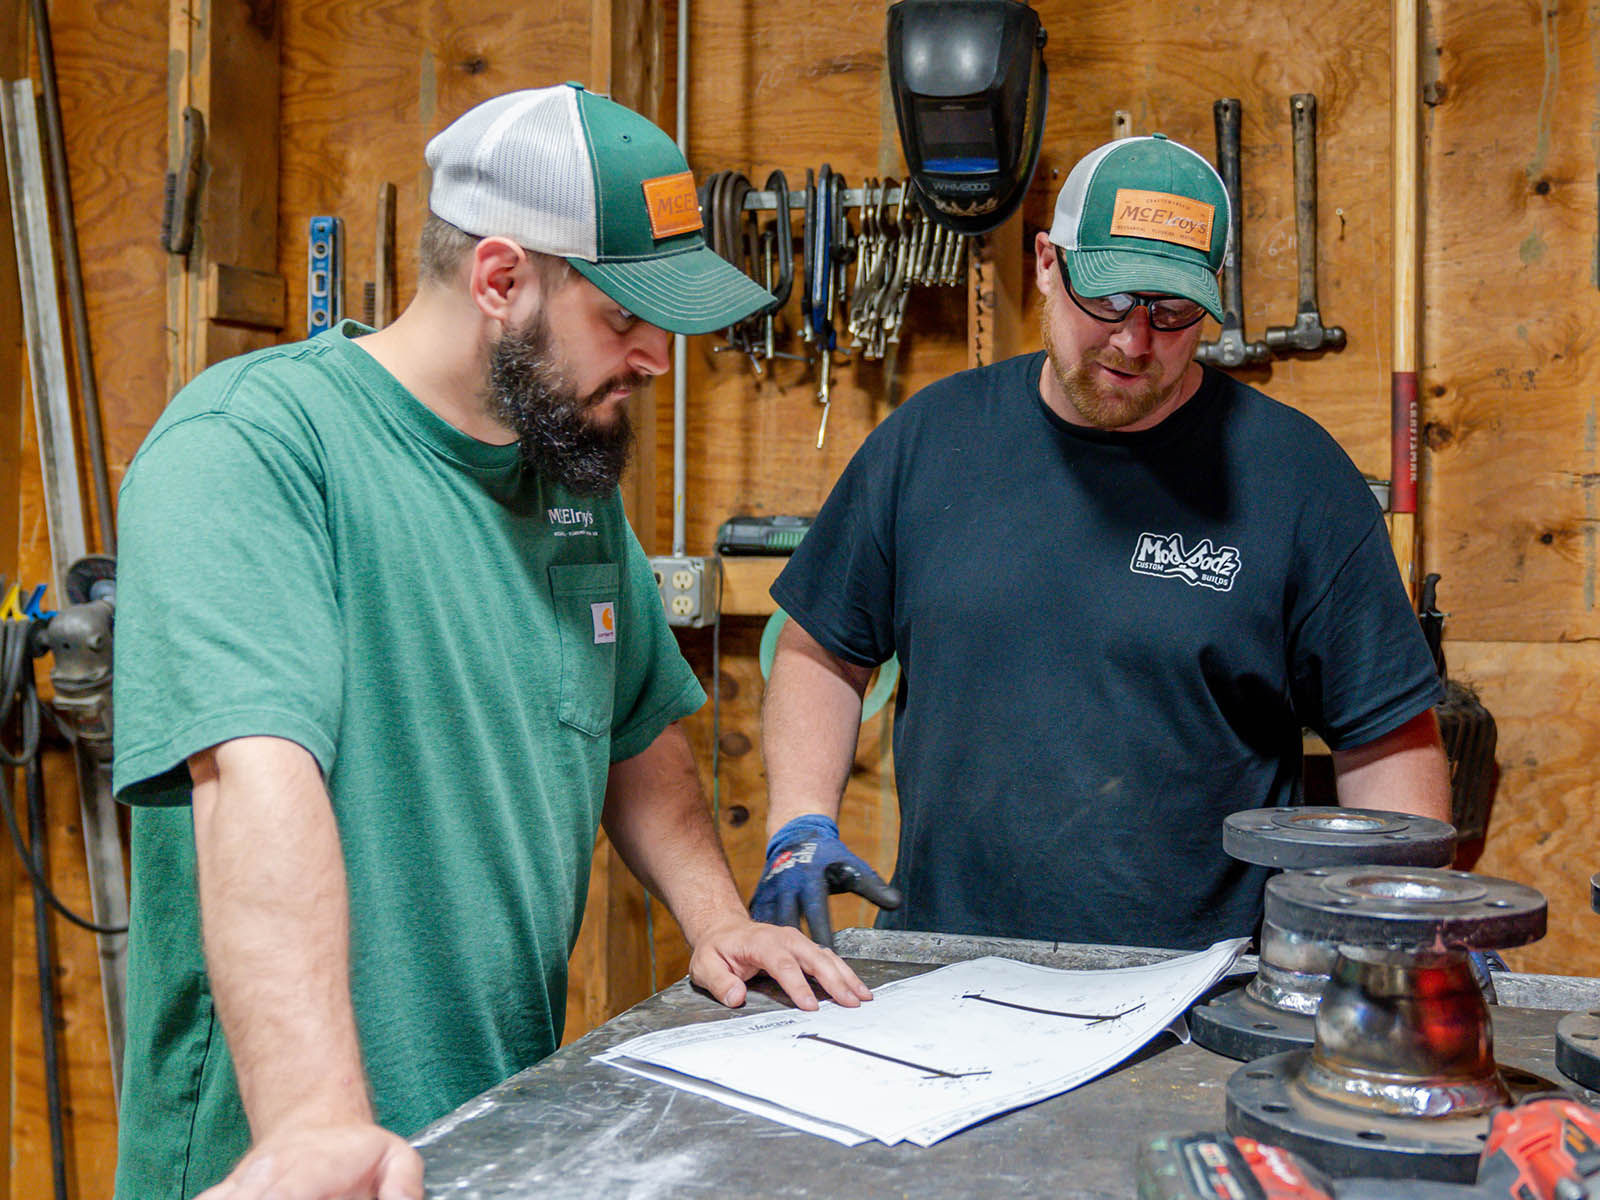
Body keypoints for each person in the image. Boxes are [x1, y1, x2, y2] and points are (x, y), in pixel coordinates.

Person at [111, 84, 870, 1200]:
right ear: (501, 280)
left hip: (495, 1124)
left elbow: (629, 724)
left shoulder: (567, 470)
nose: (658, 358)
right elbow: (252, 777)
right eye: (622, 317)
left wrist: (720, 919)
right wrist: (317, 1122)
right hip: (288, 1157)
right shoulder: (252, 448)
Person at [753, 133, 1451, 953]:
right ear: (1049, 263)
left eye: (1170, 310)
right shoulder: (928, 443)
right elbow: (820, 654)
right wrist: (800, 822)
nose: (1133, 340)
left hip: (1197, 990)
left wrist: (1413, 927)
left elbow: (1387, 740)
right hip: (946, 972)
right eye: (1108, 299)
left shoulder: (1297, 480)